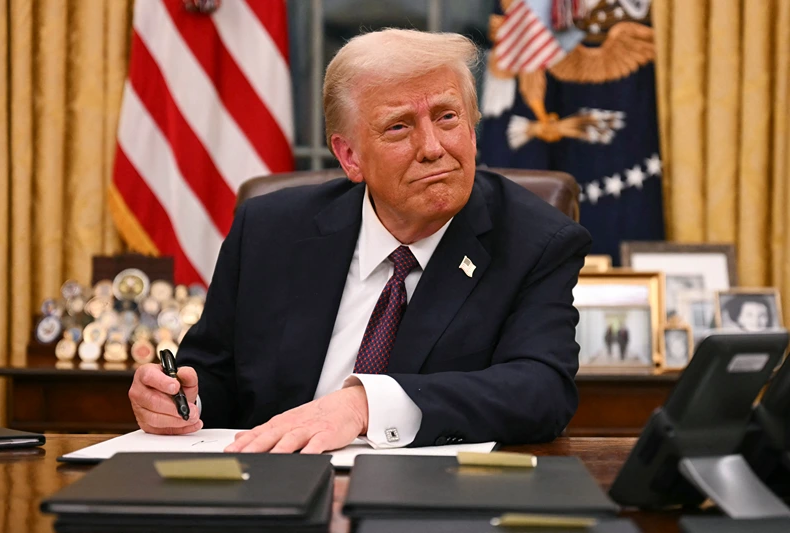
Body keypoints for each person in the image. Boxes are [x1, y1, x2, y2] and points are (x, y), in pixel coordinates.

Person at [128, 28, 592, 453]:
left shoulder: (535, 241)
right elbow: (210, 375)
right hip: (272, 490)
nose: (433, 146)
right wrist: (176, 400)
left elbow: (542, 390)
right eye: (399, 127)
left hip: (432, 502)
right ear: (350, 157)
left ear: (472, 130)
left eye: (448, 117)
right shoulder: (270, 230)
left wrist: (364, 405)